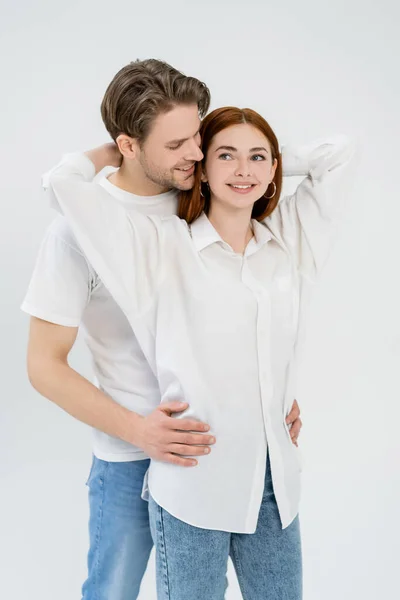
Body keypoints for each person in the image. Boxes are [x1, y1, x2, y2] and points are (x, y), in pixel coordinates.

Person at [43, 105, 353, 599]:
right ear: (201, 168)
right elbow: (64, 184)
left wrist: (268, 159)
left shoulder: (289, 245)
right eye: (225, 156)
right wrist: (110, 152)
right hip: (193, 484)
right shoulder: (159, 249)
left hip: (273, 483)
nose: (243, 169)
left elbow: (338, 156)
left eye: (256, 158)